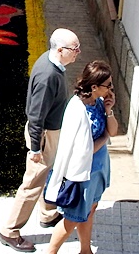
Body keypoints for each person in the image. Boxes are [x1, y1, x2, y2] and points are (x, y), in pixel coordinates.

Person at [0, 29, 81, 252]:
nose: (77, 53)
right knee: (32, 183)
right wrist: (36, 147)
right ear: (61, 50)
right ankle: (9, 231)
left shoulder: (51, 61)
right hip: (43, 136)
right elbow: (36, 116)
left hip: (49, 133)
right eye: (75, 49)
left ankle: (47, 214)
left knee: (48, 172)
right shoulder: (48, 77)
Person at [43, 61, 119, 254]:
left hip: (98, 169)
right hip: (81, 173)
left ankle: (85, 250)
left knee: (90, 210)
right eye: (108, 85)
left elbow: (114, 130)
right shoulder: (78, 109)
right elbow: (87, 149)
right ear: (94, 87)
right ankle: (50, 252)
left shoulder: (99, 102)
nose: (111, 89)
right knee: (73, 217)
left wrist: (109, 111)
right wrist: (105, 137)